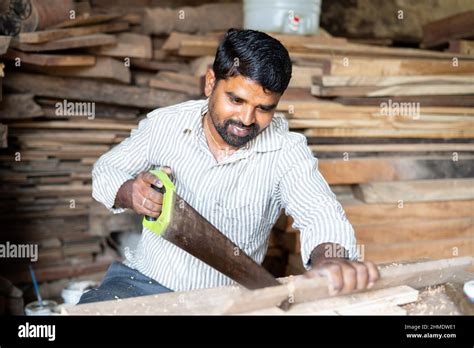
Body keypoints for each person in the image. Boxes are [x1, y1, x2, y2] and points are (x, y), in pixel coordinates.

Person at [79, 28, 379, 305]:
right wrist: (130, 191)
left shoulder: (287, 151)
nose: (247, 119)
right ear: (211, 82)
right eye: (235, 100)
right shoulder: (165, 125)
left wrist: (332, 259)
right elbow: (105, 171)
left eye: (263, 108)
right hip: (146, 282)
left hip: (230, 298)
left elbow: (321, 215)